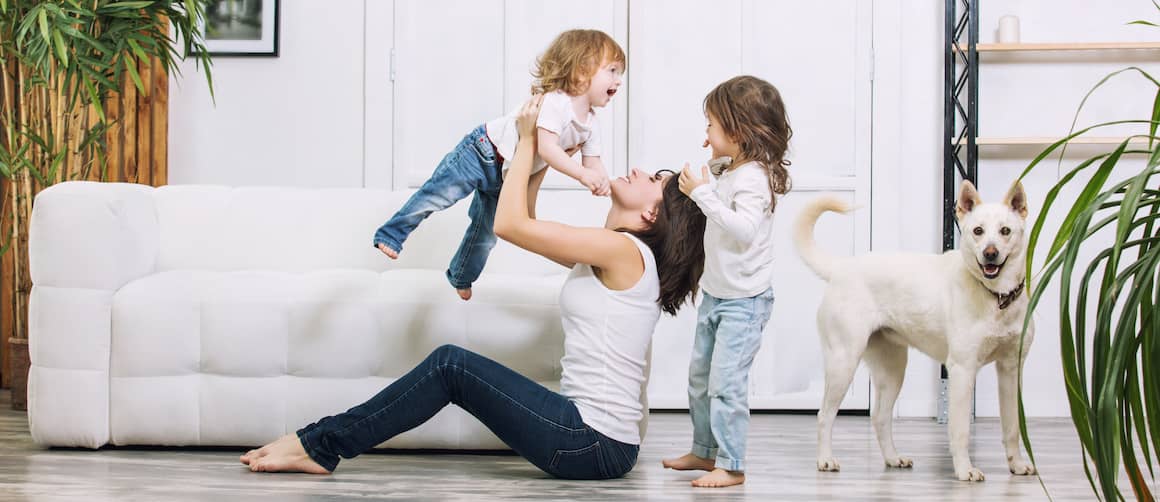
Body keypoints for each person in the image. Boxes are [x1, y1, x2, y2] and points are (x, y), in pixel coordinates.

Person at [241, 94, 707, 480]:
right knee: (451, 367)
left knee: (451, 366)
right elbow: (526, 219)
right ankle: (318, 442)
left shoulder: (623, 252)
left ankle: (319, 444)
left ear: (651, 215)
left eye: (656, 181)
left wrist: (525, 141)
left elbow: (507, 224)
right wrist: (545, 146)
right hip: (593, 439)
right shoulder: (615, 251)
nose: (643, 170)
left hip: (592, 443)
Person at [373, 29, 625, 301]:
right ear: (581, 71)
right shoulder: (556, 103)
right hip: (482, 152)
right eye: (612, 71)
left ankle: (461, 275)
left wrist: (602, 181)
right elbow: (548, 150)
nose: (618, 81)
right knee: (437, 196)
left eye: (620, 73)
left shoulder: (590, 123)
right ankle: (391, 233)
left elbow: (593, 161)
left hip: (507, 176)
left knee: (486, 233)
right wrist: (583, 175)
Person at [662, 75, 793, 488]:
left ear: (737, 131)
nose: (706, 133)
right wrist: (711, 174)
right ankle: (705, 451)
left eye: (711, 125)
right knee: (700, 378)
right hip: (718, 294)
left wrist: (703, 193)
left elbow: (744, 230)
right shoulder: (736, 169)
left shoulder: (754, 177)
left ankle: (732, 464)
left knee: (725, 384)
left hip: (745, 301)